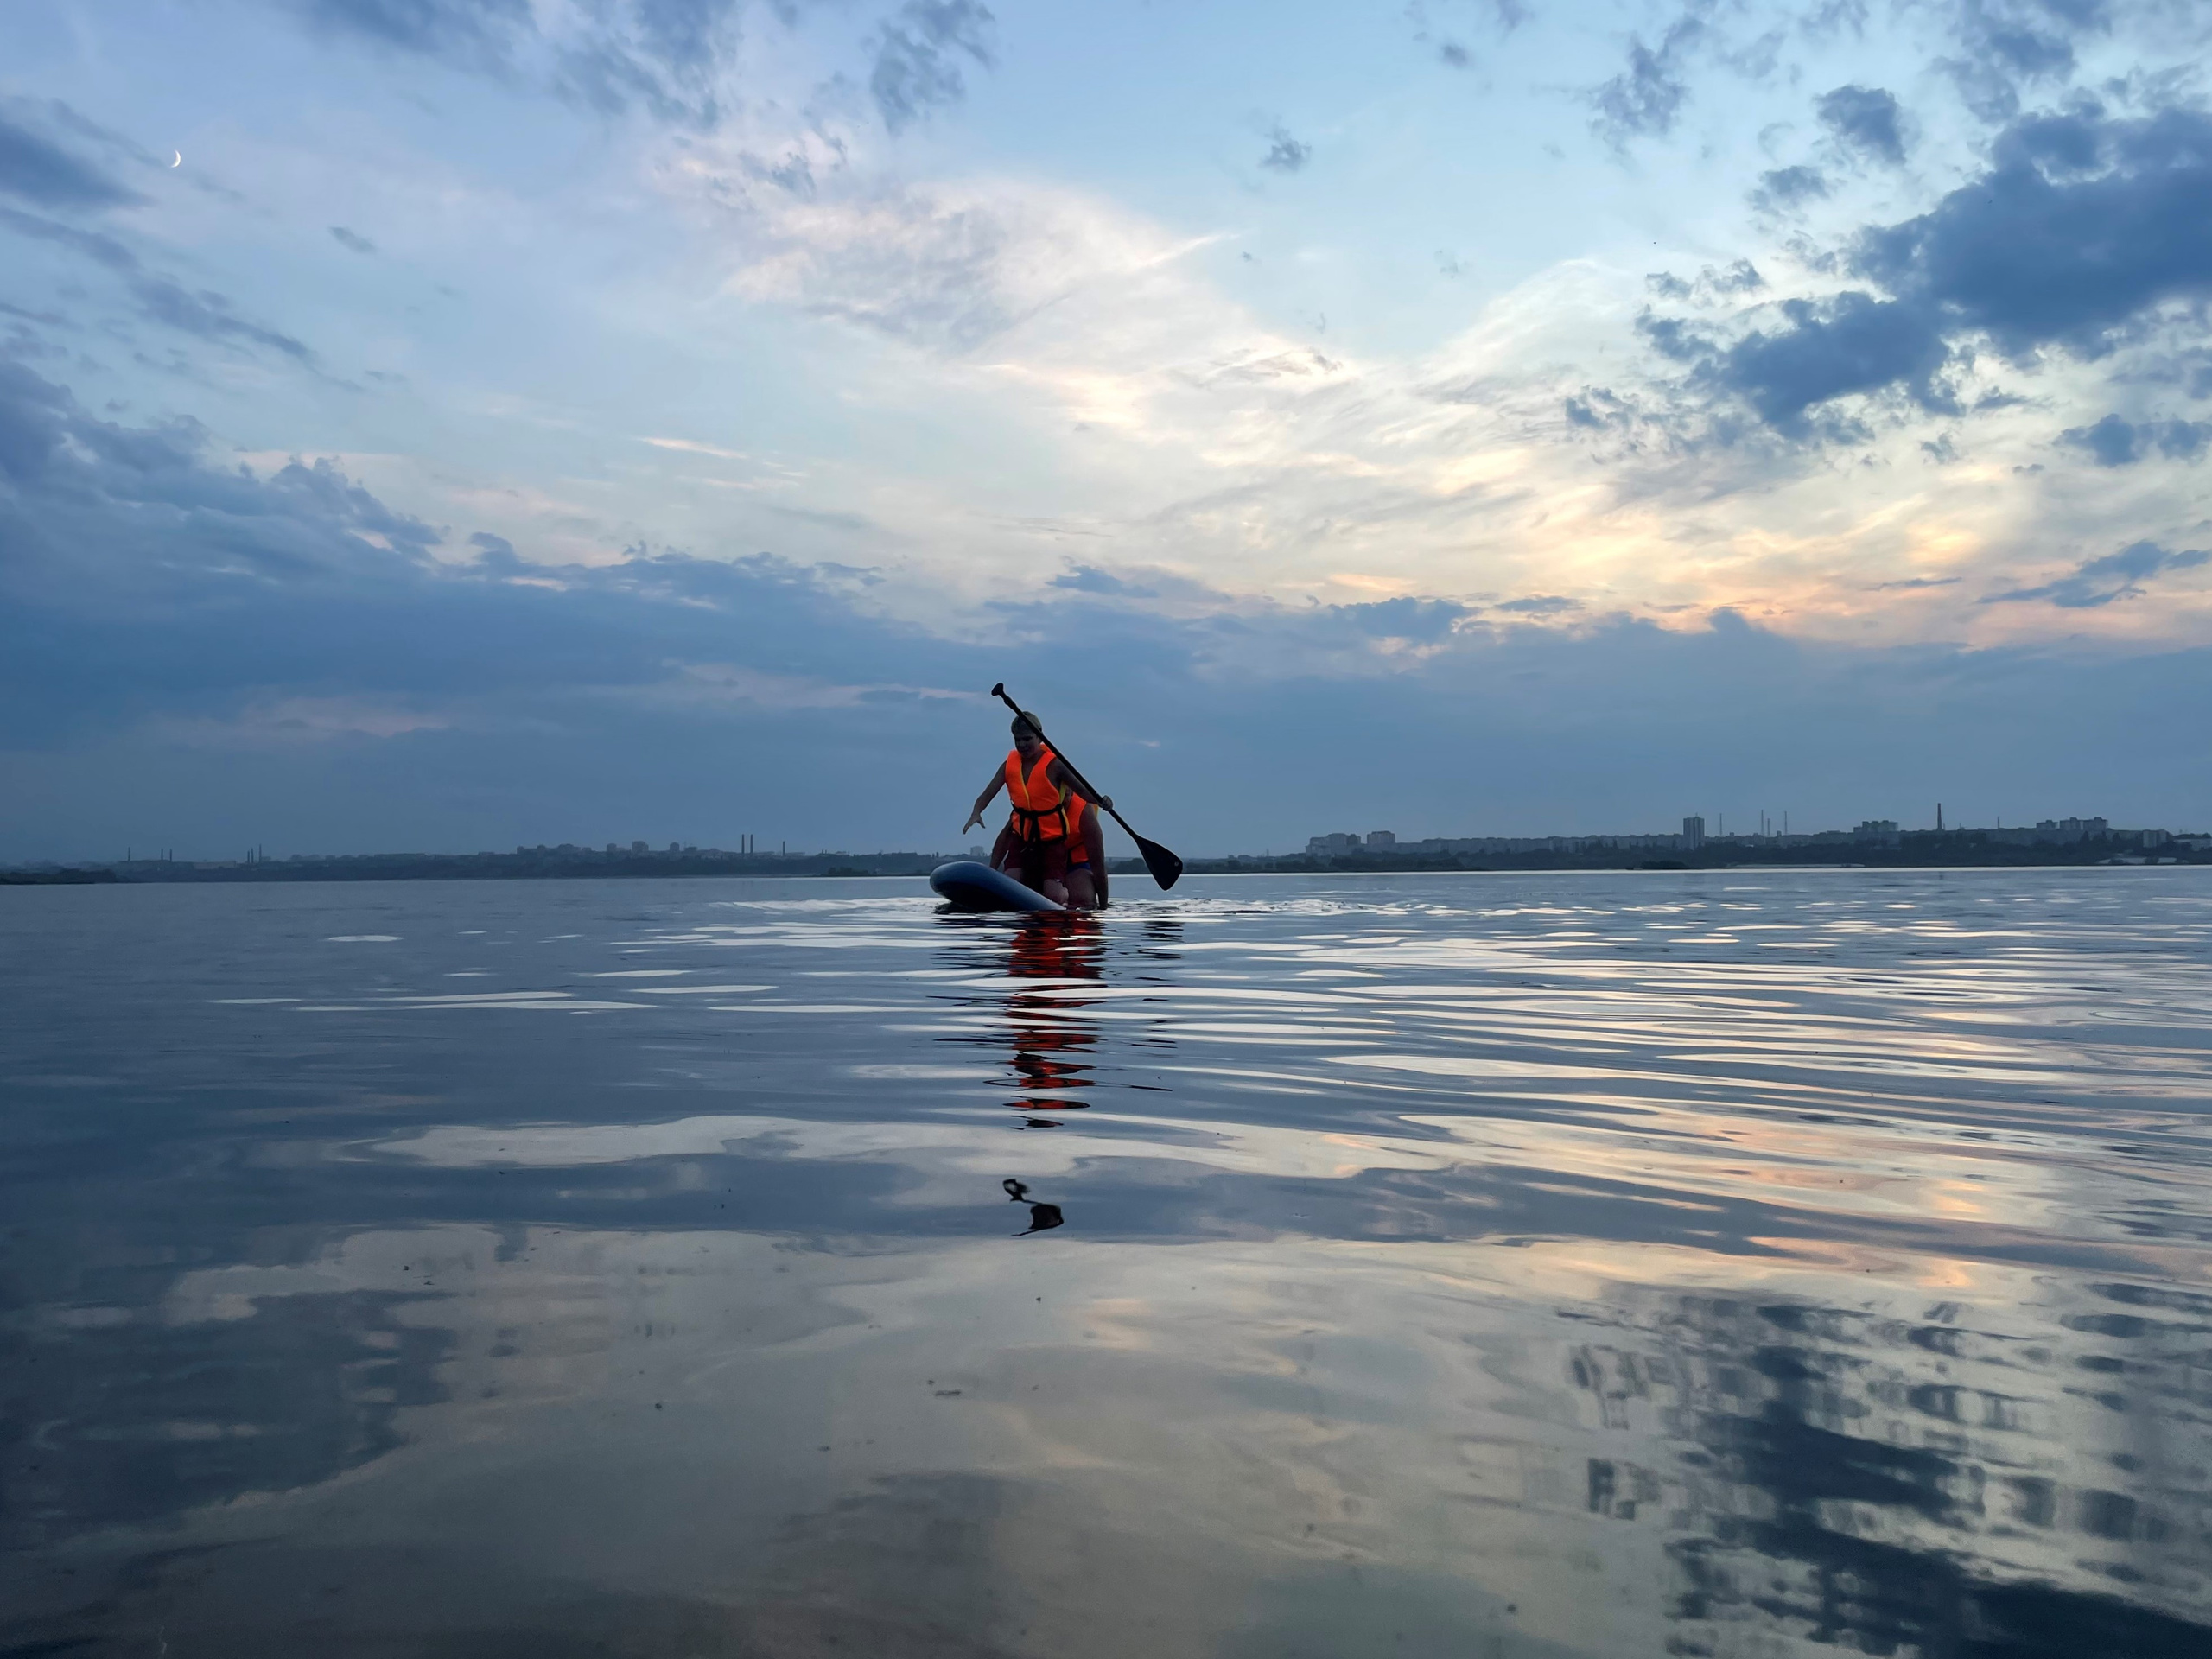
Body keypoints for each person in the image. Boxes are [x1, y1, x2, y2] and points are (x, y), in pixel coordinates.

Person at [963, 713, 1111, 909]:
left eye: (1027, 739)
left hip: (1057, 848)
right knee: (1011, 880)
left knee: (1067, 897)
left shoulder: (1081, 808)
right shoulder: (1025, 805)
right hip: (1027, 844)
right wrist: (976, 813)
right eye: (1018, 740)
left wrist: (1101, 801)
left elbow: (1098, 862)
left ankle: (1063, 895)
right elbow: (1000, 827)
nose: (1022, 744)